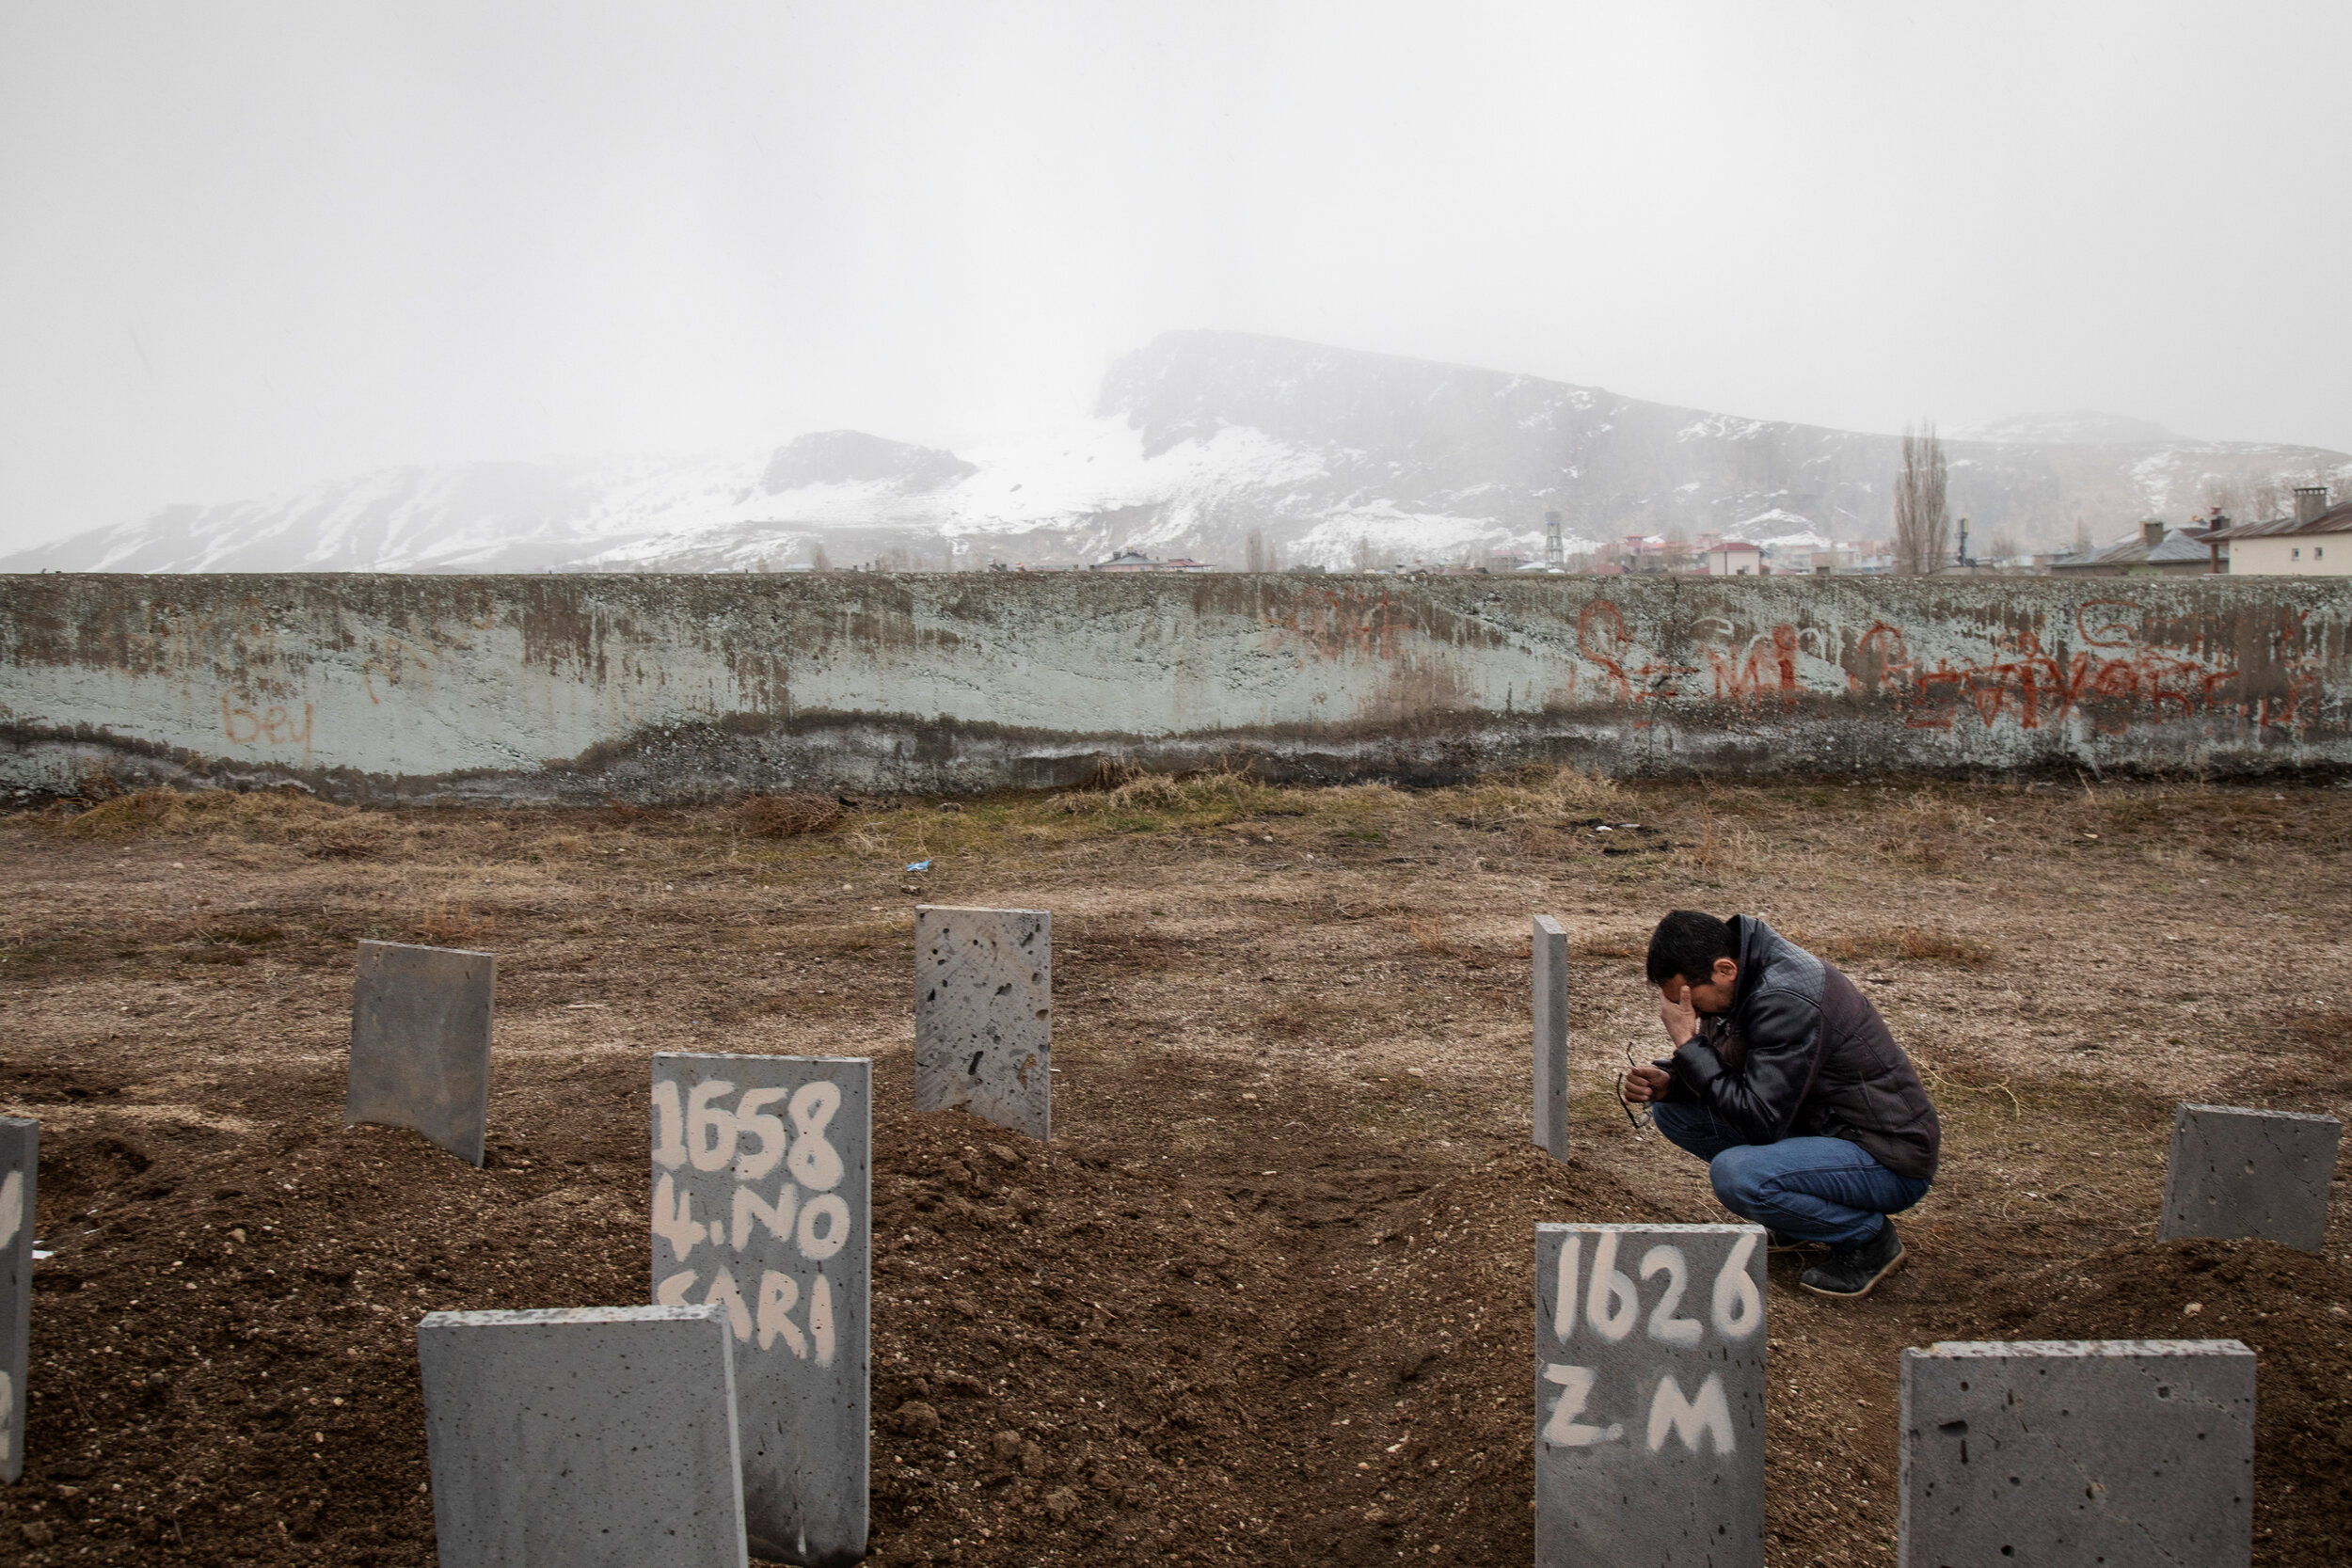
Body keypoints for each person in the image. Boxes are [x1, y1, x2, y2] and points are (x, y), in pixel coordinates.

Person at [1620, 910, 1940, 1299]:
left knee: (1739, 1175)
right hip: (1822, 1129)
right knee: (1674, 1111)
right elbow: (1741, 1074)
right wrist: (1673, 1081)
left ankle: (1869, 1240)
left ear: (1724, 969)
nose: (1692, 1014)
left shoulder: (1785, 997)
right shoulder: (1741, 977)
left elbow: (1760, 1120)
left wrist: (1690, 1046)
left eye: (1692, 1003)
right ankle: (1799, 1220)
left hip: (1886, 1157)